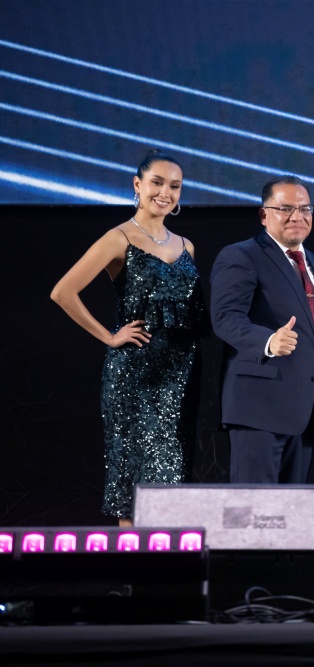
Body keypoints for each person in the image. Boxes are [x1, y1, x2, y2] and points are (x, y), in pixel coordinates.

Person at [51, 150, 206, 526]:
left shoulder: (186, 246)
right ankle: (133, 561)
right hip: (135, 375)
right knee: (135, 477)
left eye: (174, 186)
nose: (165, 192)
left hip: (181, 374)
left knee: (172, 471)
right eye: (157, 182)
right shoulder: (117, 238)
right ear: (138, 185)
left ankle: (166, 560)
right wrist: (109, 336)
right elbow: (63, 292)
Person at [211, 176, 314, 484]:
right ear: (264, 214)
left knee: (290, 510)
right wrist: (268, 340)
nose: (297, 216)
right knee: (254, 507)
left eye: (305, 209)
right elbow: (226, 317)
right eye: (285, 208)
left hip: (306, 415)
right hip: (258, 409)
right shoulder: (241, 255)